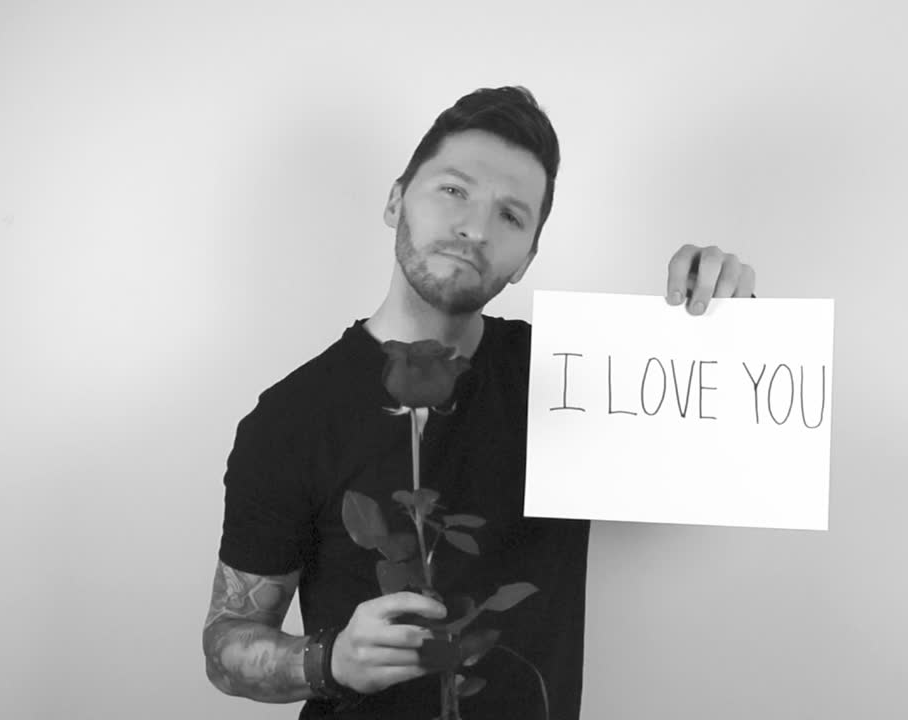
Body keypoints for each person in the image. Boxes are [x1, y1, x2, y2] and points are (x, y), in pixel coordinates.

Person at [203, 86, 757, 719]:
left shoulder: (571, 379)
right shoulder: (290, 419)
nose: (474, 228)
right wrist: (327, 661)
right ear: (395, 199)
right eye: (454, 190)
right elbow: (226, 646)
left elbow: (724, 442)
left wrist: (723, 322)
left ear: (526, 259)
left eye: (511, 216)